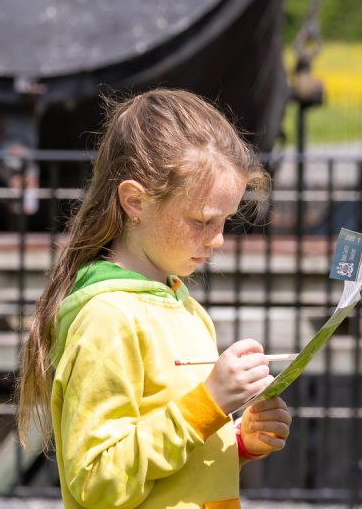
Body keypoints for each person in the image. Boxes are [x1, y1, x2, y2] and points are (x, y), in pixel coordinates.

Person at [16, 88, 292, 509]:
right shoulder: (108, 318)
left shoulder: (184, 307)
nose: (217, 239)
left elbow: (171, 471)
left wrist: (238, 442)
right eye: (202, 220)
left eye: (224, 221)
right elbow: (97, 482)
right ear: (135, 202)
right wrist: (209, 404)